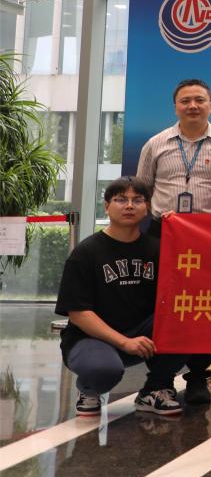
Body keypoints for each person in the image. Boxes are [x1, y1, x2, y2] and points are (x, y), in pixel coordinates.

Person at [135, 78, 211, 406]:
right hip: (163, 236)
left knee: (203, 308)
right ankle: (162, 378)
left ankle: (197, 377)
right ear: (175, 106)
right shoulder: (156, 144)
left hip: (208, 240)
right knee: (163, 306)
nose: (192, 106)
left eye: (199, 100)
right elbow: (142, 191)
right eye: (185, 101)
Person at [56, 177, 188, 417]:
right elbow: (78, 314)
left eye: (137, 200)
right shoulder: (86, 252)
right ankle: (89, 389)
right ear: (107, 206)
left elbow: (182, 287)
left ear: (147, 207)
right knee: (102, 370)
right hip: (91, 338)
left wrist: (179, 228)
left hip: (141, 334)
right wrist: (124, 342)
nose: (129, 206)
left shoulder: (158, 250)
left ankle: (155, 388)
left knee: (185, 318)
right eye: (120, 200)